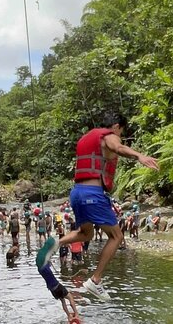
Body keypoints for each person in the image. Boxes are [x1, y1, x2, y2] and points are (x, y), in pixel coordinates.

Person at [36, 112, 159, 300]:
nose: (121, 135)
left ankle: (55, 243)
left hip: (76, 193)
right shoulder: (109, 136)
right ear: (117, 126)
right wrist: (139, 156)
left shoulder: (87, 138)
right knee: (116, 236)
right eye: (122, 131)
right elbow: (117, 147)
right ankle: (95, 280)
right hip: (92, 195)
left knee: (86, 233)